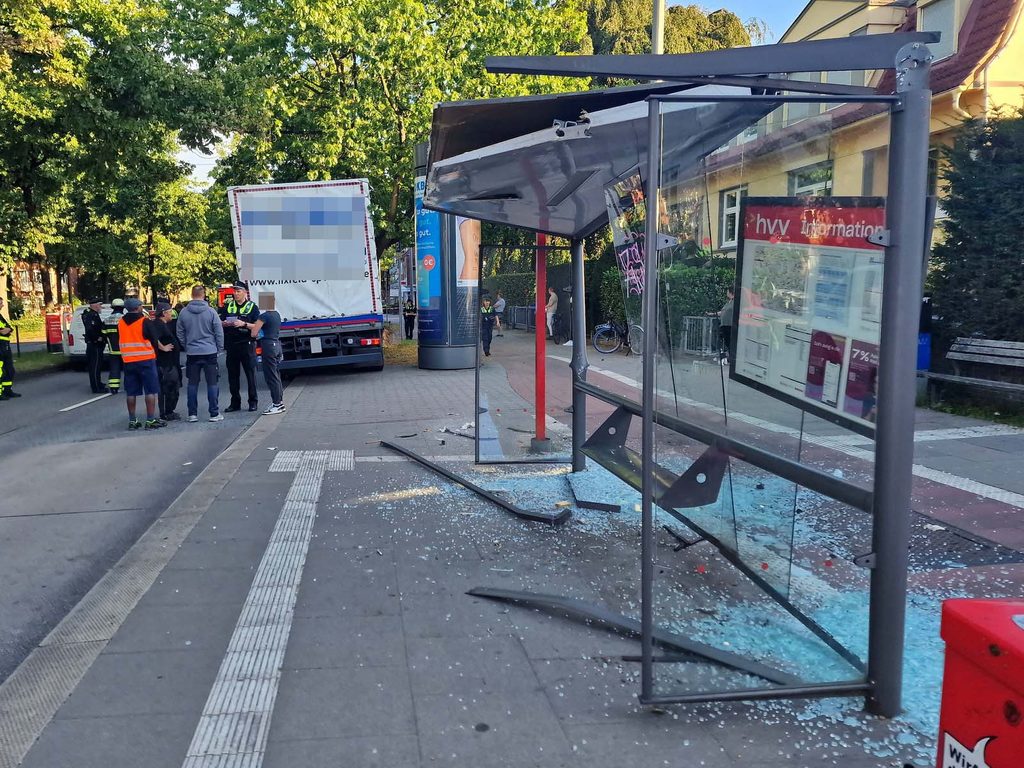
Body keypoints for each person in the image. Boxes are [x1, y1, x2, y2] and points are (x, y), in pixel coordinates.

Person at [119, 297, 171, 430]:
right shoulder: (144, 321)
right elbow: (154, 339)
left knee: (131, 392)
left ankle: (132, 420)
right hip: (146, 360)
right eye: (141, 306)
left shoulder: (121, 322)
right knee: (151, 390)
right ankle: (150, 420)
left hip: (128, 361)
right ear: (137, 308)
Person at [177, 285, 225, 423]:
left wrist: (186, 345)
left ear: (192, 295)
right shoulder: (211, 312)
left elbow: (180, 332)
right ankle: (214, 413)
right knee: (212, 383)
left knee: (192, 384)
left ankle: (192, 414)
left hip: (192, 352)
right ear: (203, 295)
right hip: (209, 351)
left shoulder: (184, 313)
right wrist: (219, 348)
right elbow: (219, 332)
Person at [219, 281, 260, 412]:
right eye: (234, 291)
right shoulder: (228, 306)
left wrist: (243, 324)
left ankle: (253, 401)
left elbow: (258, 326)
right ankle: (235, 403)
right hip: (232, 344)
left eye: (238, 291)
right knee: (233, 375)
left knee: (250, 374)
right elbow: (220, 321)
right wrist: (224, 323)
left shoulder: (252, 307)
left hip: (246, 343)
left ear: (245, 292)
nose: (236, 294)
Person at [246, 295, 286, 415]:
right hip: (276, 344)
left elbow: (254, 333)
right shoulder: (277, 314)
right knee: (276, 375)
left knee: (270, 376)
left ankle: (277, 403)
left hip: (268, 346)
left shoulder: (264, 316)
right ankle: (279, 401)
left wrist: (247, 326)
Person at [154, 302, 181, 420]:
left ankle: (167, 411)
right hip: (165, 364)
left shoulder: (162, 324)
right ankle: (167, 412)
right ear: (164, 313)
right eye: (170, 312)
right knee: (169, 388)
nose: (172, 314)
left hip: (168, 362)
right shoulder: (158, 325)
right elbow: (153, 338)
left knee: (169, 388)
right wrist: (163, 347)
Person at [82, 298, 107, 393]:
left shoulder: (92, 314)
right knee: (95, 366)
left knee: (97, 365)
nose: (101, 307)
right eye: (100, 305)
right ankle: (96, 387)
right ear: (95, 305)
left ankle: (98, 383)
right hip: (94, 344)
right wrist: (97, 338)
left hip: (95, 344)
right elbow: (90, 329)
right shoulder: (91, 315)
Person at [103, 298, 125, 393]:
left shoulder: (107, 320)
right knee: (127, 369)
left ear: (112, 308)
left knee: (114, 368)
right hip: (125, 349)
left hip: (113, 349)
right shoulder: (125, 319)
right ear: (122, 308)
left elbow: (103, 334)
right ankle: (129, 385)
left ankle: (114, 387)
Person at [0, 296, 19, 400]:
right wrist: (7, 330)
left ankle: (7, 390)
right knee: (0, 371)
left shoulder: (0, 316)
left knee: (9, 369)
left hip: (5, 346)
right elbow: (3, 331)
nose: (2, 305)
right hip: (0, 346)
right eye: (1, 303)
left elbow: (9, 329)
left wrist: (8, 330)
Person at [718, 288, 735, 364]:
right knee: (727, 343)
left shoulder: (735, 302)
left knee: (730, 343)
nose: (726, 293)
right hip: (724, 325)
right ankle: (728, 357)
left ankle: (730, 357)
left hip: (730, 326)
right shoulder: (728, 303)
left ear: (731, 292)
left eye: (727, 291)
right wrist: (712, 314)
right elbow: (722, 312)